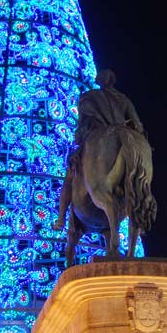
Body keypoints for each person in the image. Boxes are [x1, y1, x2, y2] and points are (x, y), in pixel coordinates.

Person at [52, 69, 145, 231]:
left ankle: (60, 219)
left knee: (69, 177)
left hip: (96, 136)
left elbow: (82, 125)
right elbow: (137, 125)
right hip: (124, 136)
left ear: (100, 81)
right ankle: (140, 214)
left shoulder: (90, 96)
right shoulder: (124, 100)